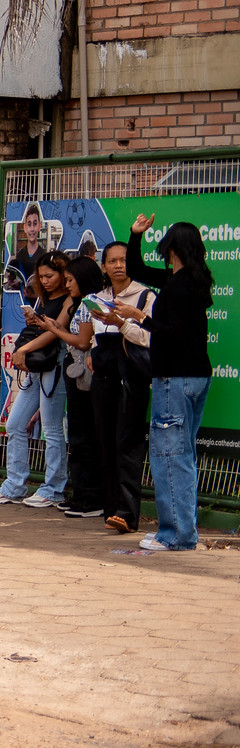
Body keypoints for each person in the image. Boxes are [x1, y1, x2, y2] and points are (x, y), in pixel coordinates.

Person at [119, 215, 212, 551]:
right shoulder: (186, 280)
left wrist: (140, 317)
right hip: (193, 377)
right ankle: (182, 533)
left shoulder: (180, 286)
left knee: (170, 456)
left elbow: (176, 335)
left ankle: (175, 536)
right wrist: (134, 235)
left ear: (172, 249)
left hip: (175, 379)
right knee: (181, 455)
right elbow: (137, 269)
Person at [0, 252, 76, 508]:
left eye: (50, 276)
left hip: (54, 363)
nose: (45, 281)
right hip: (37, 366)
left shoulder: (70, 299)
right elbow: (45, 329)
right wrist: (33, 322)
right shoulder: (43, 299)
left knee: (52, 428)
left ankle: (54, 488)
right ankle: (14, 484)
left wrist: (23, 349)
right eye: (41, 276)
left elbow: (56, 332)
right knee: (14, 424)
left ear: (62, 274)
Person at [87, 241, 155, 534]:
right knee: (104, 439)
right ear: (103, 266)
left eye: (123, 260)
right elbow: (93, 334)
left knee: (127, 442)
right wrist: (91, 350)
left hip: (132, 373)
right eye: (111, 261)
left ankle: (129, 512)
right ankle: (111, 508)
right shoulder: (96, 298)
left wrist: (121, 323)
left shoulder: (144, 296)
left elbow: (151, 337)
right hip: (103, 375)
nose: (118, 265)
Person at [57, 252, 107, 520]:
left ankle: (90, 498)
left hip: (85, 375)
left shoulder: (89, 303)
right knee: (77, 434)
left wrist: (55, 331)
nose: (67, 285)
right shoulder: (77, 303)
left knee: (83, 435)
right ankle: (81, 493)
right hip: (75, 373)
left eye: (70, 280)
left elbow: (83, 341)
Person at [7, 202, 52, 286]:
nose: (32, 229)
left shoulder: (44, 256)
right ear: (25, 228)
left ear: (39, 226)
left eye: (35, 224)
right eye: (29, 224)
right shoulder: (20, 254)